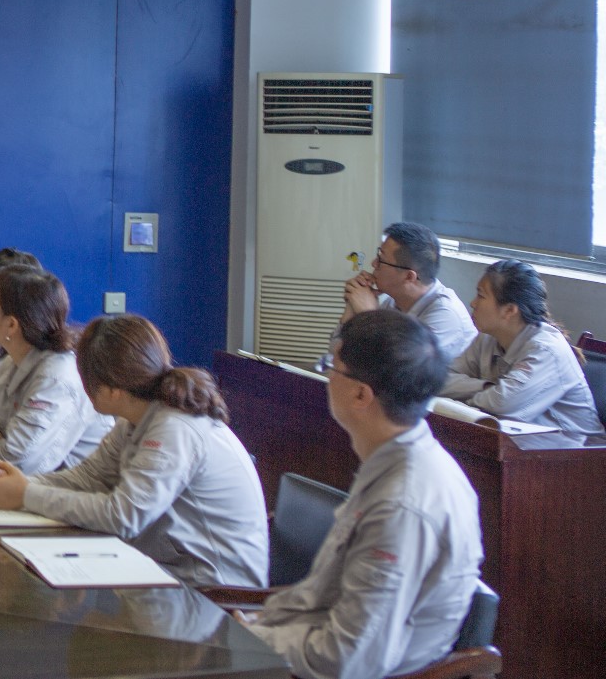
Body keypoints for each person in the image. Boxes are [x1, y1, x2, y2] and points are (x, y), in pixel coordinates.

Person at [244, 311, 483, 679]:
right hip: (296, 644)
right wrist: (252, 627)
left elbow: (347, 658)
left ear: (360, 394)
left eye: (332, 367)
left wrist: (251, 641)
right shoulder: (394, 462)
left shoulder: (402, 504)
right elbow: (321, 601)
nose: (327, 377)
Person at [0, 314, 267, 587]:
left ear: (112, 390)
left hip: (211, 590)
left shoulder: (175, 428)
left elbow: (123, 517)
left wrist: (26, 494)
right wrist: (15, 483)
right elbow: (89, 478)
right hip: (164, 568)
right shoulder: (135, 418)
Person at [0, 265, 111, 472]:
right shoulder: (12, 363)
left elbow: (20, 461)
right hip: (28, 486)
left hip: (67, 489)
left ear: (12, 325)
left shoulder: (56, 378)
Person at [439, 258, 599, 434]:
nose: (473, 303)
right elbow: (440, 380)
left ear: (509, 310)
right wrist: (487, 387)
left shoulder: (546, 350)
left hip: (574, 447)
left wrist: (463, 397)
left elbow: (501, 405)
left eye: (481, 296)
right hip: (516, 444)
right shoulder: (487, 338)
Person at [339, 222, 475, 359]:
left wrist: (369, 316)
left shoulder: (444, 316)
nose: (374, 263)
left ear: (409, 276)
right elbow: (337, 356)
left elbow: (394, 366)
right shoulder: (394, 301)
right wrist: (352, 307)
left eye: (381, 259)